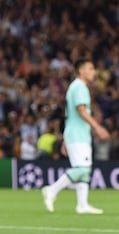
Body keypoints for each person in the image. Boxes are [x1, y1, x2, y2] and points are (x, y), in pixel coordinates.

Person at [41, 58, 110, 214]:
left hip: (76, 134)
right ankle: (52, 190)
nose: (93, 72)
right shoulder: (79, 87)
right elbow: (81, 110)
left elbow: (69, 115)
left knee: (84, 169)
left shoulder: (75, 86)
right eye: (90, 68)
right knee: (82, 168)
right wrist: (98, 128)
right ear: (81, 71)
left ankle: (82, 205)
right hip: (78, 135)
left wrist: (66, 139)